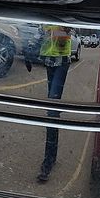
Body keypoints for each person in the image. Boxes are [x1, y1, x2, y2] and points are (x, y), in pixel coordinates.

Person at [36, 25, 76, 183]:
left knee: (52, 111)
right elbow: (40, 33)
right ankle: (51, 156)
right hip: (48, 60)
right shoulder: (45, 15)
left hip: (61, 62)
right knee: (51, 109)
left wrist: (55, 29)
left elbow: (70, 30)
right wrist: (29, 52)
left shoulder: (63, 12)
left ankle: (48, 160)